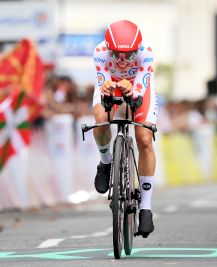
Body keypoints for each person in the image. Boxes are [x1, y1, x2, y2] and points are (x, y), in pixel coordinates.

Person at [92, 20, 157, 237]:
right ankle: (106, 162)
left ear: (136, 50)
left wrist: (132, 91)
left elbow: (138, 93)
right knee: (101, 121)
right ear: (107, 47)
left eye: (128, 55)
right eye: (116, 54)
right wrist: (109, 90)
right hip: (110, 85)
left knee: (145, 138)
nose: (121, 60)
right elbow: (103, 85)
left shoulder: (145, 53)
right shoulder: (100, 52)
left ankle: (146, 208)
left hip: (139, 86)